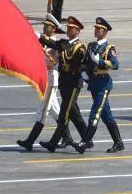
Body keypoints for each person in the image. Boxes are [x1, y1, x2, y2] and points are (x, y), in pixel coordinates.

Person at [17, 14, 69, 151]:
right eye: (44, 25)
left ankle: (30, 141)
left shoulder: (57, 44)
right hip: (43, 78)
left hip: (51, 79)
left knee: (42, 111)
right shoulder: (42, 42)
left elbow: (52, 56)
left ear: (53, 29)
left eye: (47, 26)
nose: (44, 27)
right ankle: (67, 137)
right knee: (55, 111)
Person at [39, 16, 89, 152]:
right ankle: (87, 138)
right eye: (68, 28)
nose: (69, 30)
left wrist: (86, 77)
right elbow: (51, 44)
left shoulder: (81, 48)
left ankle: (53, 143)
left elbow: (84, 66)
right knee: (73, 113)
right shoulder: (63, 43)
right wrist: (37, 35)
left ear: (77, 31)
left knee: (64, 114)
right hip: (64, 83)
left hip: (73, 84)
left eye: (72, 28)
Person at [75, 17, 124, 154]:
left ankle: (85, 142)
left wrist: (100, 62)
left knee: (95, 113)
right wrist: (84, 73)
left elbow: (115, 65)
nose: (96, 31)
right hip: (93, 84)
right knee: (106, 115)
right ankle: (119, 143)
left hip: (103, 84)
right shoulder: (91, 45)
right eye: (96, 28)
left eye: (99, 29)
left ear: (105, 31)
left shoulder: (109, 48)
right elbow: (84, 63)